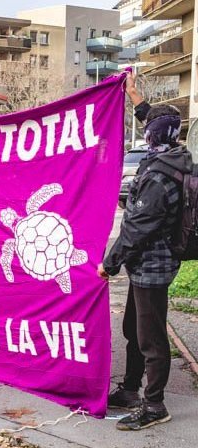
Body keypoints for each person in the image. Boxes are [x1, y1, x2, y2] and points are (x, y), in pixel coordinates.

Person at [98, 72, 193, 431]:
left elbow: (137, 228)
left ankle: (154, 406)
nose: (146, 132)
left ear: (154, 136)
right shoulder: (173, 155)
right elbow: (160, 121)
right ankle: (131, 390)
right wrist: (135, 97)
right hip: (147, 265)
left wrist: (109, 263)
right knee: (133, 330)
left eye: (149, 129)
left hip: (152, 266)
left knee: (151, 339)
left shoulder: (159, 176)